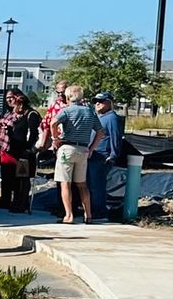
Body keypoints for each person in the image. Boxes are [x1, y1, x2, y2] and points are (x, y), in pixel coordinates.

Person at [51, 82, 101, 224]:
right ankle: (88, 215)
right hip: (83, 149)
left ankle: (69, 215)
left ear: (68, 97)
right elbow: (100, 131)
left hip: (67, 148)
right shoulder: (90, 111)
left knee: (65, 183)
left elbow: (53, 122)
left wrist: (55, 138)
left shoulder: (67, 111)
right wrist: (91, 148)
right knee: (82, 184)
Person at [0, 87, 41, 214]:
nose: (14, 108)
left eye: (16, 104)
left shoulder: (32, 115)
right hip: (14, 151)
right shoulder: (18, 117)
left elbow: (33, 135)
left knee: (23, 179)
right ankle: (11, 201)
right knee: (12, 178)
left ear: (21, 104)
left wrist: (29, 150)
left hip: (25, 153)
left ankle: (21, 203)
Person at [88, 92, 125, 222]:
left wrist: (113, 155)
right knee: (91, 185)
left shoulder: (111, 118)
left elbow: (116, 138)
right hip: (93, 156)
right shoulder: (99, 117)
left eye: (101, 101)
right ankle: (92, 210)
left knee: (97, 186)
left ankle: (100, 212)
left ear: (109, 102)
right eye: (95, 101)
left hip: (102, 156)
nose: (97, 103)